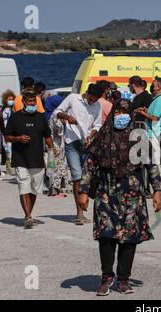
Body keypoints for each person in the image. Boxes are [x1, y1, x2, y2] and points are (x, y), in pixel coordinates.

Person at [78, 99, 161, 296]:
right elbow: (89, 165)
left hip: (133, 196)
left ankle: (123, 279)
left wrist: (157, 191)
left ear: (131, 114)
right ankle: (106, 277)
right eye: (118, 112)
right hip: (106, 194)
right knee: (106, 237)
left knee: (129, 239)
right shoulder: (102, 137)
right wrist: (83, 192)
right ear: (112, 114)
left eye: (125, 112)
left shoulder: (139, 137)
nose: (121, 116)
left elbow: (151, 165)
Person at [5, 88, 56, 229]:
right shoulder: (15, 117)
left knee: (34, 190)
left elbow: (47, 136)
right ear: (23, 101)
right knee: (23, 187)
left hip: (37, 159)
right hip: (21, 158)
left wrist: (52, 148)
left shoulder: (41, 117)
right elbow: (7, 136)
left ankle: (29, 213)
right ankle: (27, 216)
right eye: (29, 101)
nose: (32, 103)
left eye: (34, 101)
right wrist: (18, 138)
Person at [53, 83, 103, 225]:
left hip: (87, 144)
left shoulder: (97, 105)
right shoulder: (73, 98)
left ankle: (85, 202)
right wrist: (67, 117)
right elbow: (57, 112)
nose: (93, 101)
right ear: (87, 93)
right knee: (76, 177)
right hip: (72, 144)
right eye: (92, 98)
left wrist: (92, 135)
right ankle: (79, 213)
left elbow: (97, 125)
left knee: (86, 178)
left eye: (95, 99)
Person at [136, 77, 161, 198]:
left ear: (158, 87)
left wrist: (143, 113)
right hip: (156, 133)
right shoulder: (159, 99)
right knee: (160, 163)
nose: (152, 87)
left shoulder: (160, 100)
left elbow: (155, 118)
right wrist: (147, 110)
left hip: (155, 134)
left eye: (153, 85)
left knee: (156, 163)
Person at [0, 89, 16, 167]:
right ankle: (8, 163)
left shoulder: (14, 109)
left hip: (13, 132)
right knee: (6, 147)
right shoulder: (2, 109)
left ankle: (13, 163)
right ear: (5, 100)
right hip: (4, 132)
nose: (11, 101)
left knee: (11, 147)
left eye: (12, 99)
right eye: (9, 99)